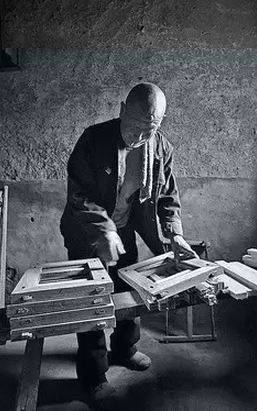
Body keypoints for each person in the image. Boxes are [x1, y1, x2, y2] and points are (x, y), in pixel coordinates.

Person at [60, 82, 197, 408]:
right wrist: (104, 230)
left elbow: (168, 198)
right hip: (87, 231)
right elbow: (78, 194)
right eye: (134, 127)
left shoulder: (160, 147)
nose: (139, 137)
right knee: (92, 300)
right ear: (122, 110)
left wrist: (175, 235)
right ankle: (93, 375)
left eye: (149, 130)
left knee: (130, 293)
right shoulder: (94, 139)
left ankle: (124, 349)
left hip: (125, 230)